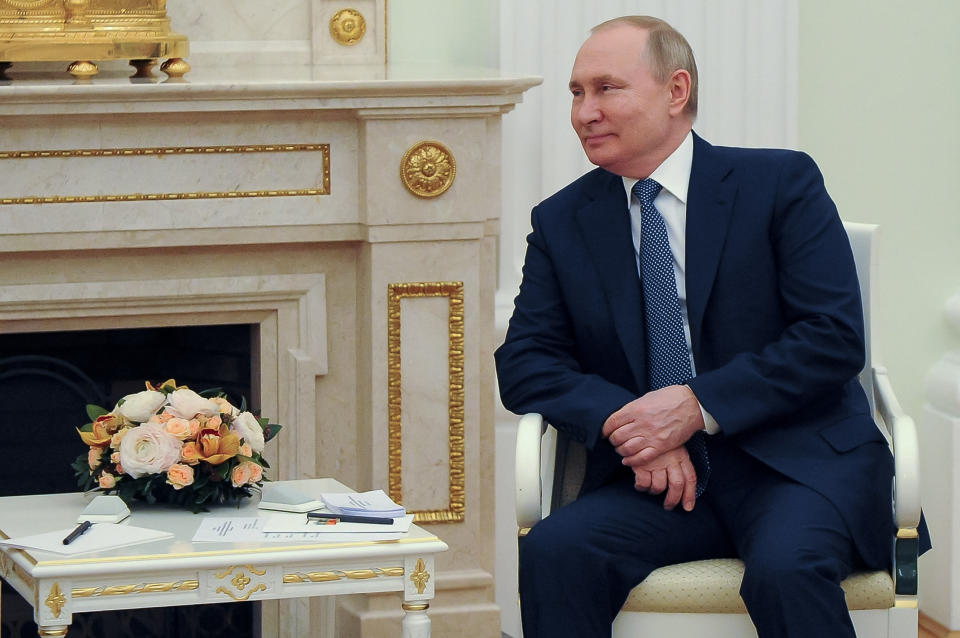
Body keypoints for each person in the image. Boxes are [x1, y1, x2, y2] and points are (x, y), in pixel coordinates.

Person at [495, 15, 928, 638]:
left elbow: (831, 336)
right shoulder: (564, 222)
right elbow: (526, 361)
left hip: (794, 467)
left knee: (785, 570)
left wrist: (698, 405)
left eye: (606, 88)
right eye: (575, 92)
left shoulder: (779, 183)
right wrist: (635, 422)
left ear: (676, 92)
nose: (583, 112)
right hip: (660, 484)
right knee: (554, 551)